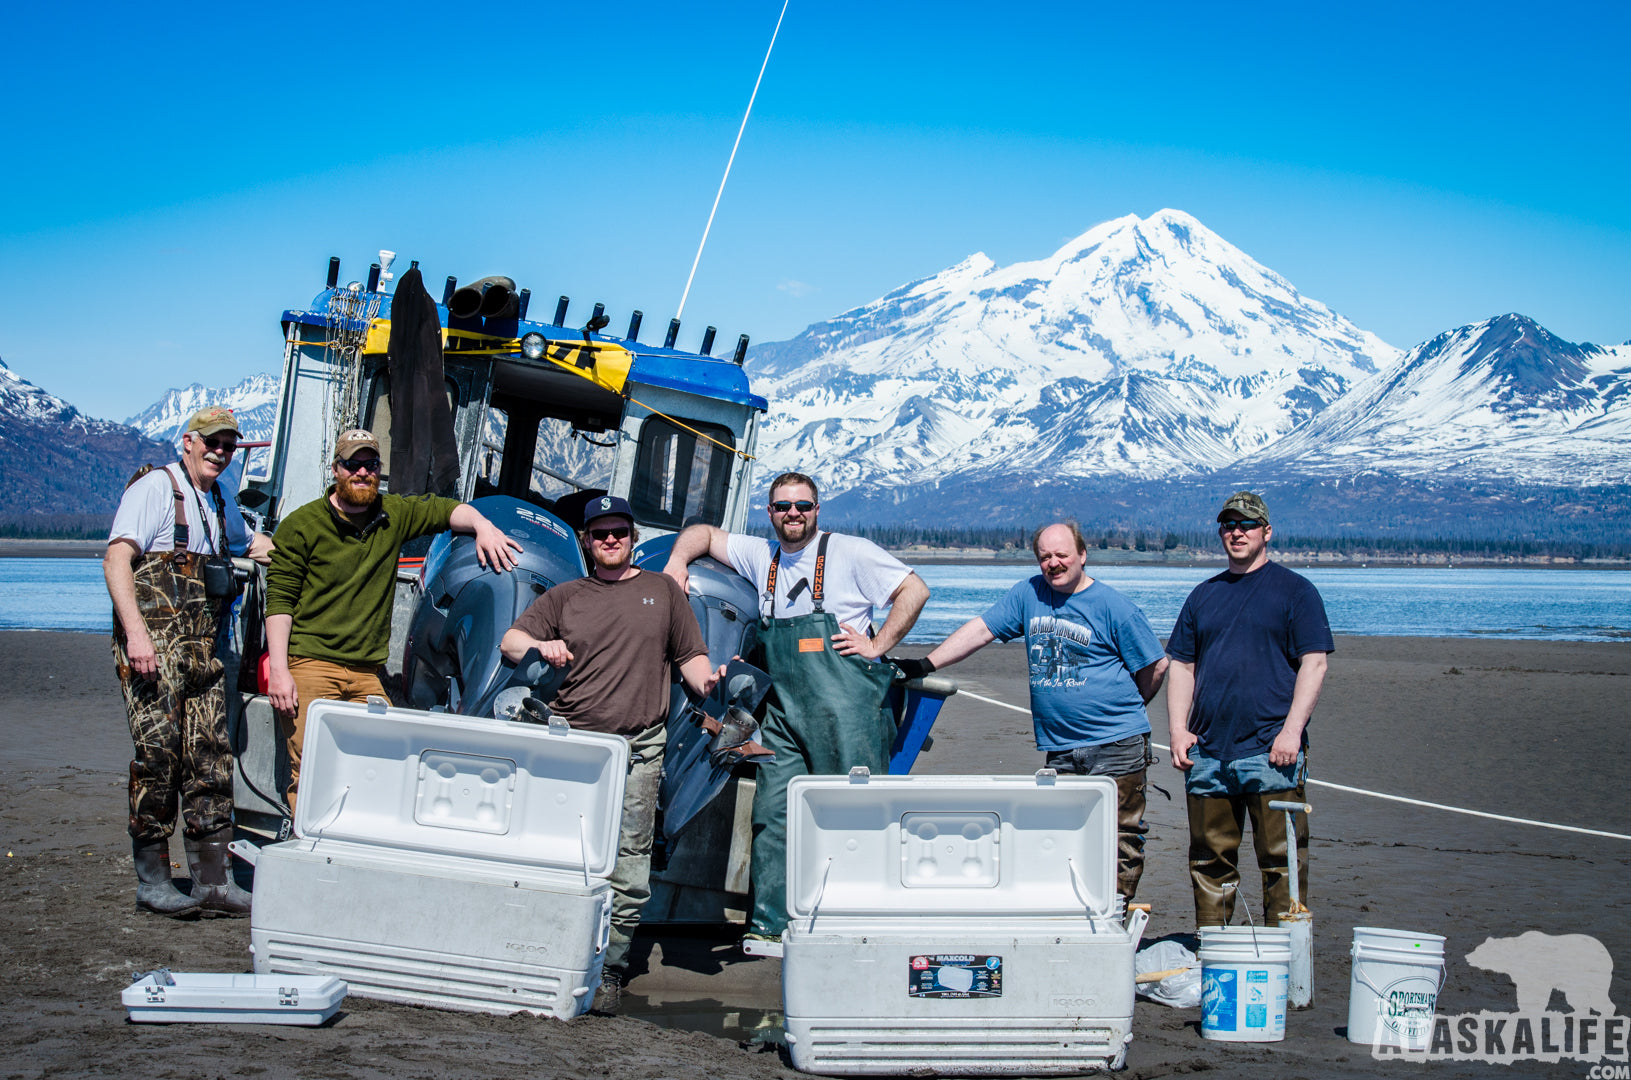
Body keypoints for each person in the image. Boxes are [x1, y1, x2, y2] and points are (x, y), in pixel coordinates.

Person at [663, 472, 930, 948]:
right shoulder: (761, 555)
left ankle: (854, 925)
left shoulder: (850, 552)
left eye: (803, 506)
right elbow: (701, 533)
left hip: (846, 712)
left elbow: (915, 591)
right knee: (773, 814)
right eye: (783, 507)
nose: (793, 514)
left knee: (852, 816)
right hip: (783, 716)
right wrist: (677, 564)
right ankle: (771, 926)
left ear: (817, 510)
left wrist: (877, 644)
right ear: (770, 513)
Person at [500, 494, 723, 1014]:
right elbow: (511, 641)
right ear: (586, 540)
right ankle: (548, 950)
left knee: (629, 860)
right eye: (599, 533)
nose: (610, 540)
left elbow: (691, 657)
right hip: (572, 747)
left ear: (632, 536)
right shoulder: (563, 597)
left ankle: (611, 968)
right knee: (561, 851)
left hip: (640, 747)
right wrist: (540, 647)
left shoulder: (663, 592)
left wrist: (713, 683)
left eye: (619, 531)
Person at [899, 521, 1168, 900]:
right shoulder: (1029, 594)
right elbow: (981, 630)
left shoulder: (1114, 606)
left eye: (1062, 555)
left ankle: (1114, 917)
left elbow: (1155, 665)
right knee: (1062, 834)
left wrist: (1127, 712)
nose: (1053, 563)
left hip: (1117, 744)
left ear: (1082, 555)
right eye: (1045, 557)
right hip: (1061, 745)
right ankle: (1074, 912)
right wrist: (926, 665)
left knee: (1120, 836)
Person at [264, 429, 520, 812]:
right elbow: (280, 602)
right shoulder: (301, 525)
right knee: (312, 767)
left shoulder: (392, 514)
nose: (363, 472)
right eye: (353, 464)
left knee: (381, 763)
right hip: (311, 666)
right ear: (336, 469)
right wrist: (280, 671)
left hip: (367, 672)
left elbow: (448, 510)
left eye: (371, 464)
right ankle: (306, 851)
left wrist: (483, 526)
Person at [105, 406, 274, 917]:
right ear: (188, 442)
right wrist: (136, 636)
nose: (220, 452)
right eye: (212, 442)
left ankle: (213, 884)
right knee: (159, 759)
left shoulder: (221, 497)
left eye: (228, 444)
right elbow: (116, 559)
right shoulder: (156, 489)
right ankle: (152, 882)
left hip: (205, 650)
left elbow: (254, 546)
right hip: (153, 652)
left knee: (211, 759)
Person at [1165, 491, 1333, 928]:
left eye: (1247, 525)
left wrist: (1292, 731)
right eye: (1228, 525)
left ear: (1266, 532)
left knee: (1282, 862)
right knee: (1209, 862)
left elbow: (1314, 664)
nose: (1236, 532)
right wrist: (1178, 730)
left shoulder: (1296, 592)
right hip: (1209, 753)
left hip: (1271, 751)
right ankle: (1216, 953)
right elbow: (1182, 664)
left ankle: (1286, 960)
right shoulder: (1203, 596)